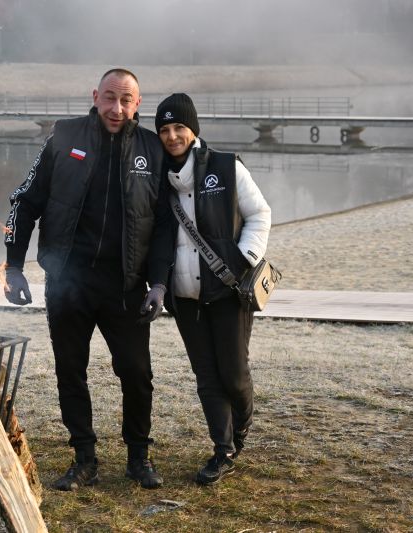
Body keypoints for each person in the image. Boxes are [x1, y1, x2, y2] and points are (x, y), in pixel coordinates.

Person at [3, 68, 173, 490]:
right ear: (96, 96)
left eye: (126, 100)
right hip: (68, 283)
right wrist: (12, 264)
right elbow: (24, 202)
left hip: (126, 287)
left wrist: (159, 282)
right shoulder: (63, 137)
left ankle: (138, 456)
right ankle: (84, 459)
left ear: (138, 103)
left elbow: (166, 225)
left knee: (136, 373)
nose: (117, 108)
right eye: (110, 97)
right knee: (70, 371)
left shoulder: (153, 149)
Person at [154, 93, 271, 485]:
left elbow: (260, 213)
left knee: (234, 374)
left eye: (179, 128)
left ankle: (240, 431)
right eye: (165, 129)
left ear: (193, 130)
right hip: (185, 297)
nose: (172, 136)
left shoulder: (225, 166)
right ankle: (223, 450)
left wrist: (244, 257)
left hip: (227, 290)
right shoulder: (157, 178)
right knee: (206, 376)